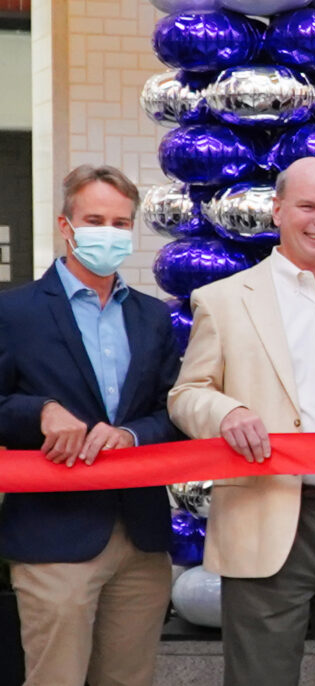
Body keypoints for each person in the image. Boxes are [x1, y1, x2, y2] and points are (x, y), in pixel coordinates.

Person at [168, 157, 315, 686]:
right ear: (277, 211)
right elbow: (186, 395)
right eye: (308, 207)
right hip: (266, 515)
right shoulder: (225, 301)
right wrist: (228, 411)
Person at [0, 165, 181, 686]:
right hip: (54, 536)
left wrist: (132, 435)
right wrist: (38, 411)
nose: (110, 232)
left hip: (141, 538)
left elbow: (174, 410)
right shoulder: (15, 313)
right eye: (95, 219)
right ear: (66, 225)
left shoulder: (152, 317)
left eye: (122, 223)